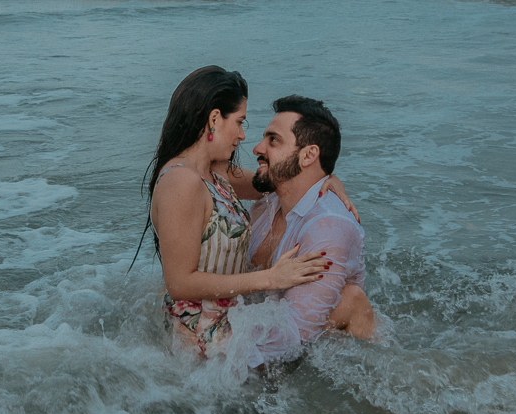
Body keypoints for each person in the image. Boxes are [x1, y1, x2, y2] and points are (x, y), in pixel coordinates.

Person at [143, 66, 360, 356]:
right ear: (214, 119)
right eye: (240, 121)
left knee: (346, 305)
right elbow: (180, 283)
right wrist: (272, 278)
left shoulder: (213, 172)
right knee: (353, 303)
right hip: (201, 332)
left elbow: (277, 180)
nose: (244, 136)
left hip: (228, 313)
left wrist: (326, 178)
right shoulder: (182, 181)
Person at [244, 95, 375, 366]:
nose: (257, 148)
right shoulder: (265, 207)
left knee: (350, 299)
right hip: (267, 346)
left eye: (273, 140)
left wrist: (213, 351)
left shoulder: (330, 227)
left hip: (316, 368)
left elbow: (295, 336)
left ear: (308, 155)